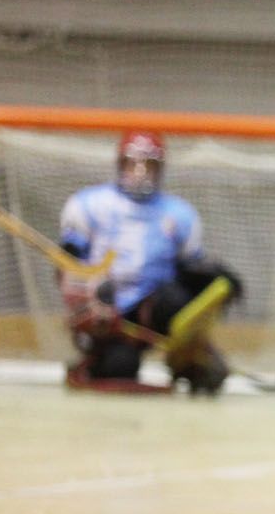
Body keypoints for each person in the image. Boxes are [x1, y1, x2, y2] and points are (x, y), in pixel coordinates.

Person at [58, 130, 238, 395]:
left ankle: (186, 357)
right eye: (133, 163)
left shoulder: (180, 214)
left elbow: (190, 271)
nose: (141, 172)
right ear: (120, 164)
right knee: (118, 368)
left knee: (177, 298)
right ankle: (101, 358)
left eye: (149, 165)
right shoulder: (88, 204)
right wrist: (85, 302)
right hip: (107, 313)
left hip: (155, 307)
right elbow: (67, 267)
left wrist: (217, 281)